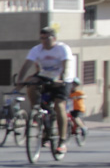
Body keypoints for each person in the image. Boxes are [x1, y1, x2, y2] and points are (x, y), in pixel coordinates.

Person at [16, 26, 75, 155]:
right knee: (31, 83)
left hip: (62, 79)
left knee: (59, 106)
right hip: (45, 76)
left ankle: (62, 141)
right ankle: (37, 109)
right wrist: (20, 80)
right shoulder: (37, 50)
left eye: (46, 38)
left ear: (54, 38)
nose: (44, 41)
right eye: (41, 38)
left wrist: (62, 79)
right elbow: (27, 64)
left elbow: (66, 65)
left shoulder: (62, 48)